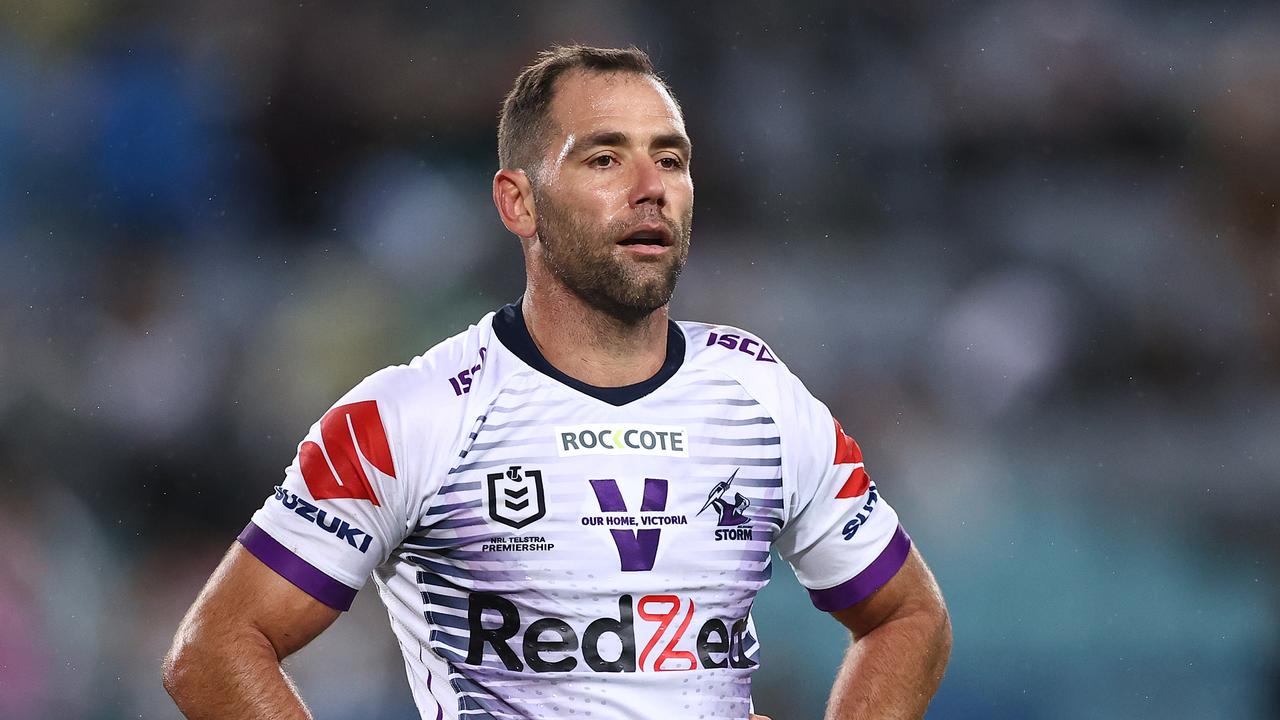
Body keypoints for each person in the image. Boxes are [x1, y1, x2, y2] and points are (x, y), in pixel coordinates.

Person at [162, 44, 952, 720]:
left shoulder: (760, 396)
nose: (651, 186)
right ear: (519, 203)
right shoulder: (414, 415)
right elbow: (213, 650)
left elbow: (908, 615)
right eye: (605, 157)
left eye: (669, 158)